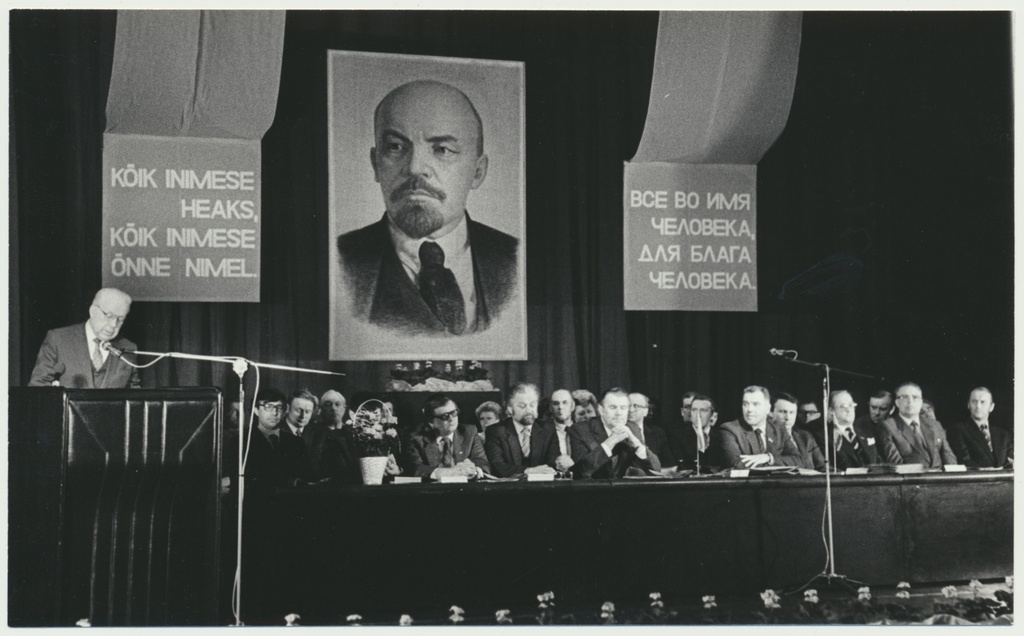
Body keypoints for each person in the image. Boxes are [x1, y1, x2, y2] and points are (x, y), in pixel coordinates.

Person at [336, 80, 518, 336]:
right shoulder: (339, 262)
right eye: (396, 147)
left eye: (442, 149)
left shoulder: (516, 260)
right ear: (376, 164)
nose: (414, 168)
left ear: (478, 172)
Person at [29, 287, 141, 388]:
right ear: (93, 311)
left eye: (120, 319)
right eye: (109, 316)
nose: (113, 325)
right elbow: (38, 388)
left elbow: (134, 395)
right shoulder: (58, 339)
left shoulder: (128, 348)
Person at [568, 388, 662, 478]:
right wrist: (611, 441)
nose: (619, 413)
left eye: (623, 408)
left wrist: (636, 443)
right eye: (613, 407)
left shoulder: (632, 428)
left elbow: (656, 468)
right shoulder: (580, 430)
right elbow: (581, 471)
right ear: (601, 410)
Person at [404, 393, 490, 478]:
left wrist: (474, 469)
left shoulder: (469, 432)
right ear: (431, 422)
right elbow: (414, 468)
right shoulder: (415, 436)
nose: (451, 419)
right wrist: (447, 473)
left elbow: (482, 461)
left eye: (454, 413)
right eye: (445, 416)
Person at [715, 386, 802, 469]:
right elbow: (736, 465)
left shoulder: (779, 430)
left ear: (767, 408)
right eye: (745, 404)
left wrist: (769, 458)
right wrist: (779, 463)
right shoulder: (729, 430)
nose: (749, 409)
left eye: (755, 404)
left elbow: (799, 460)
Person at [877, 382, 956, 468]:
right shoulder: (887, 426)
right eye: (904, 397)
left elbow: (948, 456)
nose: (910, 402)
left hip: (941, 479)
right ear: (897, 402)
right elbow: (897, 465)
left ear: (921, 402)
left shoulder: (935, 424)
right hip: (912, 479)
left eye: (915, 397)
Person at [484, 382, 556, 477]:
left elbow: (553, 463)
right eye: (522, 406)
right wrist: (527, 471)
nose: (529, 410)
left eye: (532, 405)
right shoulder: (496, 431)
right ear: (510, 409)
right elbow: (497, 466)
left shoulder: (548, 429)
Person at [813, 390, 881, 471]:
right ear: (831, 411)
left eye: (850, 405)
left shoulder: (866, 433)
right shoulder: (823, 437)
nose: (848, 410)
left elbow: (879, 464)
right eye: (843, 406)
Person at [947, 387, 1013, 468]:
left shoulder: (1003, 434)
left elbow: (1011, 460)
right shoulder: (958, 430)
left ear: (991, 407)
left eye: (983, 402)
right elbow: (963, 460)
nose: (978, 406)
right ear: (968, 405)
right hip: (977, 479)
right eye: (974, 401)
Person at [772, 391, 824, 471]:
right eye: (782, 412)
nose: (788, 417)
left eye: (792, 412)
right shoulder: (765, 438)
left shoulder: (806, 437)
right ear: (770, 413)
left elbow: (823, 466)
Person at [667, 393, 718, 472]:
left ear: (712, 415)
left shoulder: (720, 436)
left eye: (703, 410)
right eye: (694, 410)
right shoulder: (677, 436)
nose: (698, 414)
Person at [627, 392, 671, 467]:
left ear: (646, 411)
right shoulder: (617, 431)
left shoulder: (658, 433)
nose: (631, 410)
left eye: (636, 406)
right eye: (628, 406)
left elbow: (668, 464)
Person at [547, 389, 576, 474]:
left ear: (573, 406)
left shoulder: (585, 431)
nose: (560, 407)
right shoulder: (542, 434)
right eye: (556, 403)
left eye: (565, 402)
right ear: (550, 408)